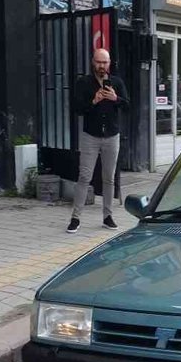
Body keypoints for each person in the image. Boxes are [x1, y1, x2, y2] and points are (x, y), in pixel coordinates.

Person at [68, 48, 129, 233]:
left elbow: (128, 105)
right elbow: (76, 108)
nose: (102, 66)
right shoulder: (83, 83)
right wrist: (93, 101)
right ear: (92, 62)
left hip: (112, 136)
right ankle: (75, 218)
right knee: (84, 176)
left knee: (109, 178)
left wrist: (115, 98)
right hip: (90, 136)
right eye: (98, 62)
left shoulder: (116, 82)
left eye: (105, 62)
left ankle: (107, 216)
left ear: (109, 63)